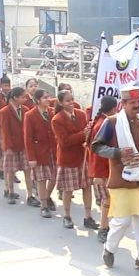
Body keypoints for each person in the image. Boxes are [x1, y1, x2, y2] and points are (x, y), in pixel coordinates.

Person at [92, 86, 139, 274]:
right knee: (121, 221)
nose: (137, 106)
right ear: (123, 104)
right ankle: (109, 248)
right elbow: (96, 146)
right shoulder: (112, 122)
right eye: (133, 103)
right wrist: (117, 153)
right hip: (122, 179)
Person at [52, 90, 97, 229]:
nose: (71, 103)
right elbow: (64, 141)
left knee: (87, 187)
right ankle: (67, 215)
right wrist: (83, 134)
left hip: (83, 157)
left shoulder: (81, 114)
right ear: (60, 102)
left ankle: (88, 216)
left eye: (72, 99)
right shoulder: (57, 119)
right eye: (67, 100)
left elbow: (86, 134)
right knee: (68, 189)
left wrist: (88, 135)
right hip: (68, 158)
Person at [0, 87, 39, 207]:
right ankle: (10, 191)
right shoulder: (4, 112)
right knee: (11, 170)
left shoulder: (25, 110)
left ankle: (30, 195)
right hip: (11, 146)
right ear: (15, 98)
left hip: (23, 145)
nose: (25, 99)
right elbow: (5, 131)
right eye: (23, 97)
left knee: (28, 170)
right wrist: (8, 147)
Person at [87, 96, 117, 242]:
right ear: (114, 109)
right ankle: (103, 228)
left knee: (108, 200)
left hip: (103, 168)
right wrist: (98, 174)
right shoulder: (103, 124)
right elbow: (98, 151)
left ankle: (106, 227)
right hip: (101, 169)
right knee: (106, 200)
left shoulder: (101, 121)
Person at [24, 89, 58, 218]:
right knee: (41, 179)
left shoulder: (52, 112)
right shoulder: (30, 115)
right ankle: (43, 205)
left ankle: (47, 195)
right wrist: (31, 157)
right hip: (39, 151)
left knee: (54, 176)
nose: (48, 100)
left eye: (48, 97)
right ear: (38, 100)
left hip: (52, 150)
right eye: (45, 98)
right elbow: (28, 138)